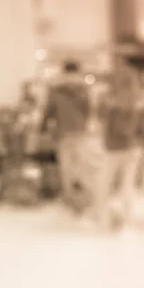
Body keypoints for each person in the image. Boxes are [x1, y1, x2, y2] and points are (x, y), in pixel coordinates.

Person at [97, 63, 144, 229]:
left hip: (113, 148)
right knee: (128, 185)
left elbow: (102, 121)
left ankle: (103, 219)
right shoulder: (138, 102)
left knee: (105, 182)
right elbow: (142, 129)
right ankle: (127, 219)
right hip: (132, 148)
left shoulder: (111, 102)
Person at [42, 61, 90, 212]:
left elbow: (49, 111)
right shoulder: (83, 89)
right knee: (79, 164)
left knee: (66, 166)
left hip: (63, 131)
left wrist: (42, 126)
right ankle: (80, 199)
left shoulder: (56, 90)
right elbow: (88, 110)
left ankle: (69, 198)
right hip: (80, 131)